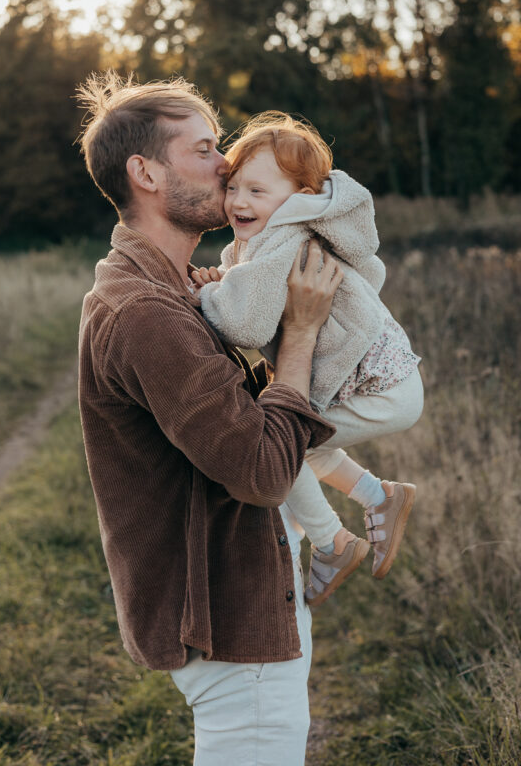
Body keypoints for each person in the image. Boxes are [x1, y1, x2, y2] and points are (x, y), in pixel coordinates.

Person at [76, 71, 343, 766]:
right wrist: (303, 333)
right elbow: (258, 472)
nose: (226, 163)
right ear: (146, 173)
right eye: (202, 149)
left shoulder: (174, 291)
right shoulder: (144, 315)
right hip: (223, 614)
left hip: (242, 592)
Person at [193, 112, 424, 606]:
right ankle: (378, 497)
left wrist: (203, 300)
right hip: (390, 380)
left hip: (379, 388)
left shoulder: (284, 237)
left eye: (258, 191)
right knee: (304, 445)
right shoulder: (277, 237)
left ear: (299, 199)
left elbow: (249, 326)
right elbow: (257, 294)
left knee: (280, 447)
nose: (238, 201)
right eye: (234, 187)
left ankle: (331, 542)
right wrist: (226, 282)